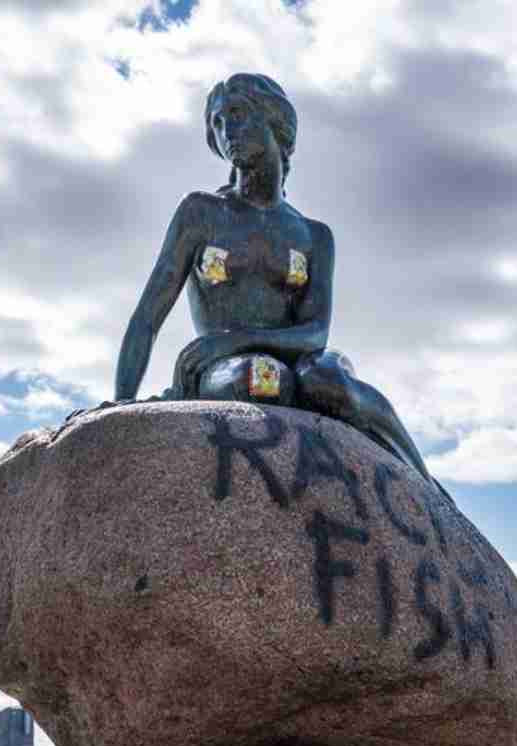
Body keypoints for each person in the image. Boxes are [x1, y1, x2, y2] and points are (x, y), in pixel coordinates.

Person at [112, 73, 436, 486]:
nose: (227, 131)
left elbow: (315, 333)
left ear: (275, 121)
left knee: (326, 381)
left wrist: (232, 339)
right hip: (227, 368)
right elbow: (147, 317)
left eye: (237, 114)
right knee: (261, 379)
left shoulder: (314, 236)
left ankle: (424, 483)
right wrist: (122, 405)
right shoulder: (201, 213)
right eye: (217, 123)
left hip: (302, 361)